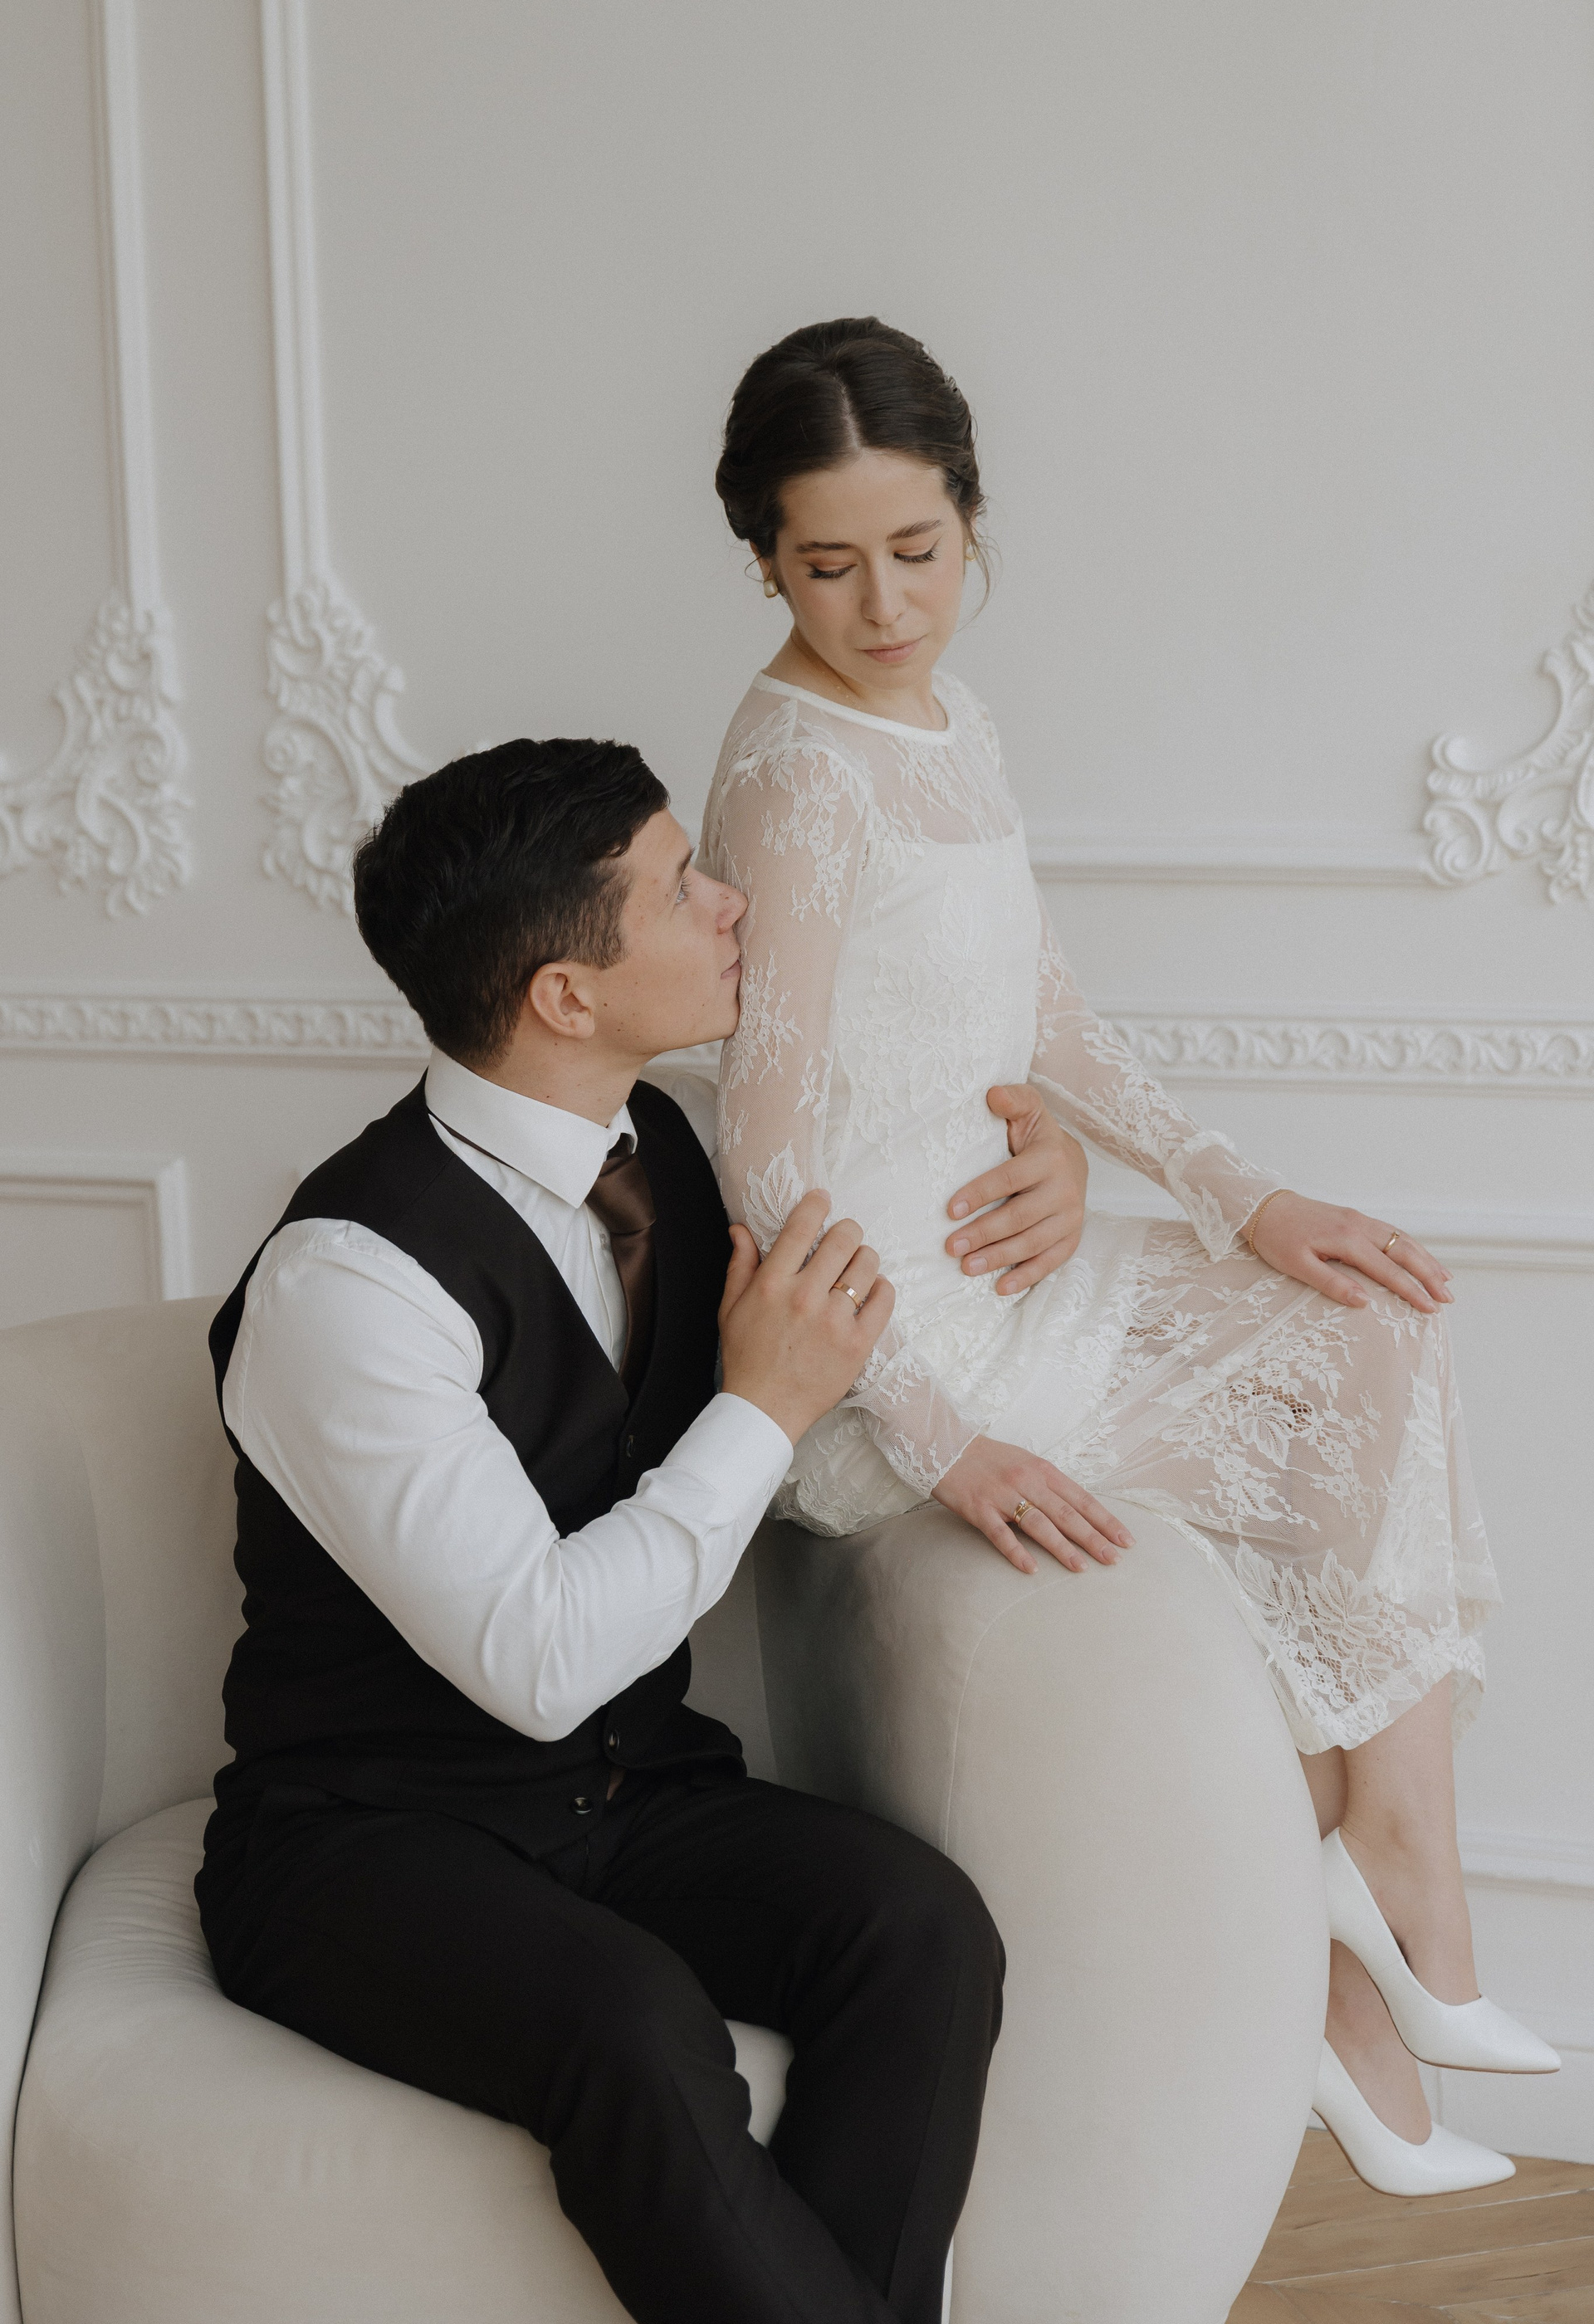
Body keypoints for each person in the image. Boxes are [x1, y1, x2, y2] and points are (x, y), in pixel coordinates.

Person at [701, 316, 1559, 2200]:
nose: (884, 605)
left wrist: (1245, 1193)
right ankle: (1385, 1942)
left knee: (1368, 1321)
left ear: (972, 517)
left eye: (918, 550)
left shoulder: (951, 717)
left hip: (1015, 1276)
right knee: (1339, 1402)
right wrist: (939, 1437)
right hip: (898, 1354)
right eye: (828, 565)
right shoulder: (797, 771)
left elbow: (1045, 1010)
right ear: (763, 559)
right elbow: (764, 1152)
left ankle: (1383, 1899)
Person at [193, 734, 1093, 2324]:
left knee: (920, 1932)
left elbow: (912, 1196)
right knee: (634, 2021)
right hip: (363, 1841)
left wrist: (1055, 1166)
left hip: (627, 1792)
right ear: (566, 994)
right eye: (683, 888)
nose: (734, 902)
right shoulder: (346, 1281)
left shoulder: (672, 1145)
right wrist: (761, 1406)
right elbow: (537, 1659)